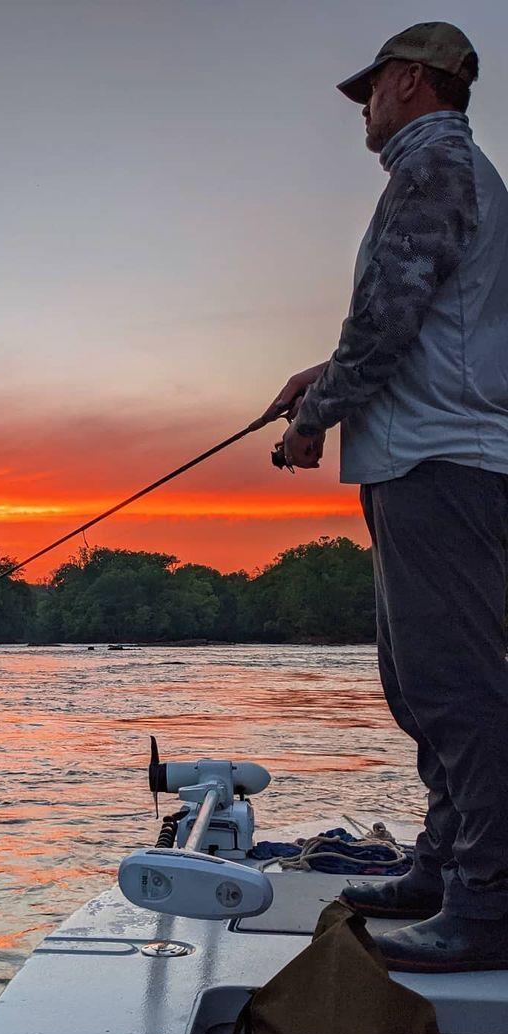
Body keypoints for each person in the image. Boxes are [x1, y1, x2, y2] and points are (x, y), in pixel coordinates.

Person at [263, 21, 508, 973]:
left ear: (409, 81)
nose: (362, 107)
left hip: (442, 463)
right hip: (423, 459)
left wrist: (314, 416)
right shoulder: (448, 172)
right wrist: (323, 374)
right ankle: (444, 867)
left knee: (458, 686)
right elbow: (422, 315)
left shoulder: (435, 165)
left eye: (371, 88)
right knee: (419, 683)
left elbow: (391, 315)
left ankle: (487, 903)